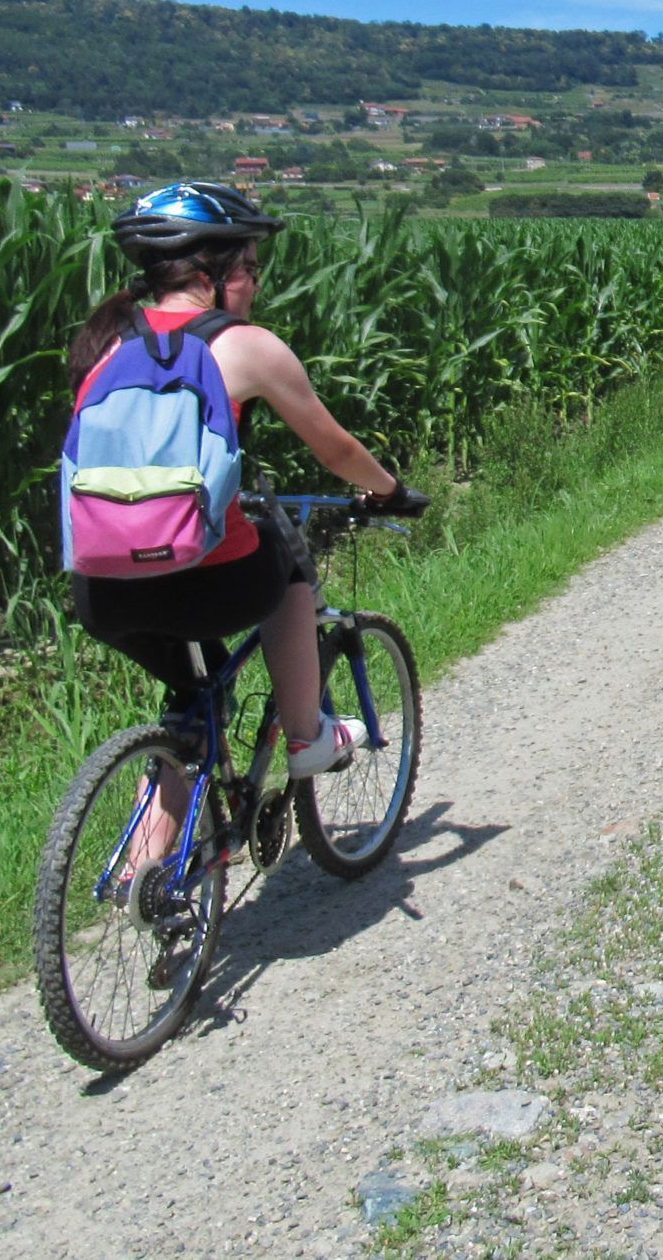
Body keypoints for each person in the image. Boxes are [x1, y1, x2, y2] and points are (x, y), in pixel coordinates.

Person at [67, 182, 426, 889]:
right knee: (286, 558)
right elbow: (336, 448)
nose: (257, 283)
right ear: (212, 272)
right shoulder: (245, 347)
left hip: (102, 588)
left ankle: (147, 874)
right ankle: (307, 737)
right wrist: (389, 490)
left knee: (190, 706)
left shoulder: (105, 340)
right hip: (204, 582)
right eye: (252, 267)